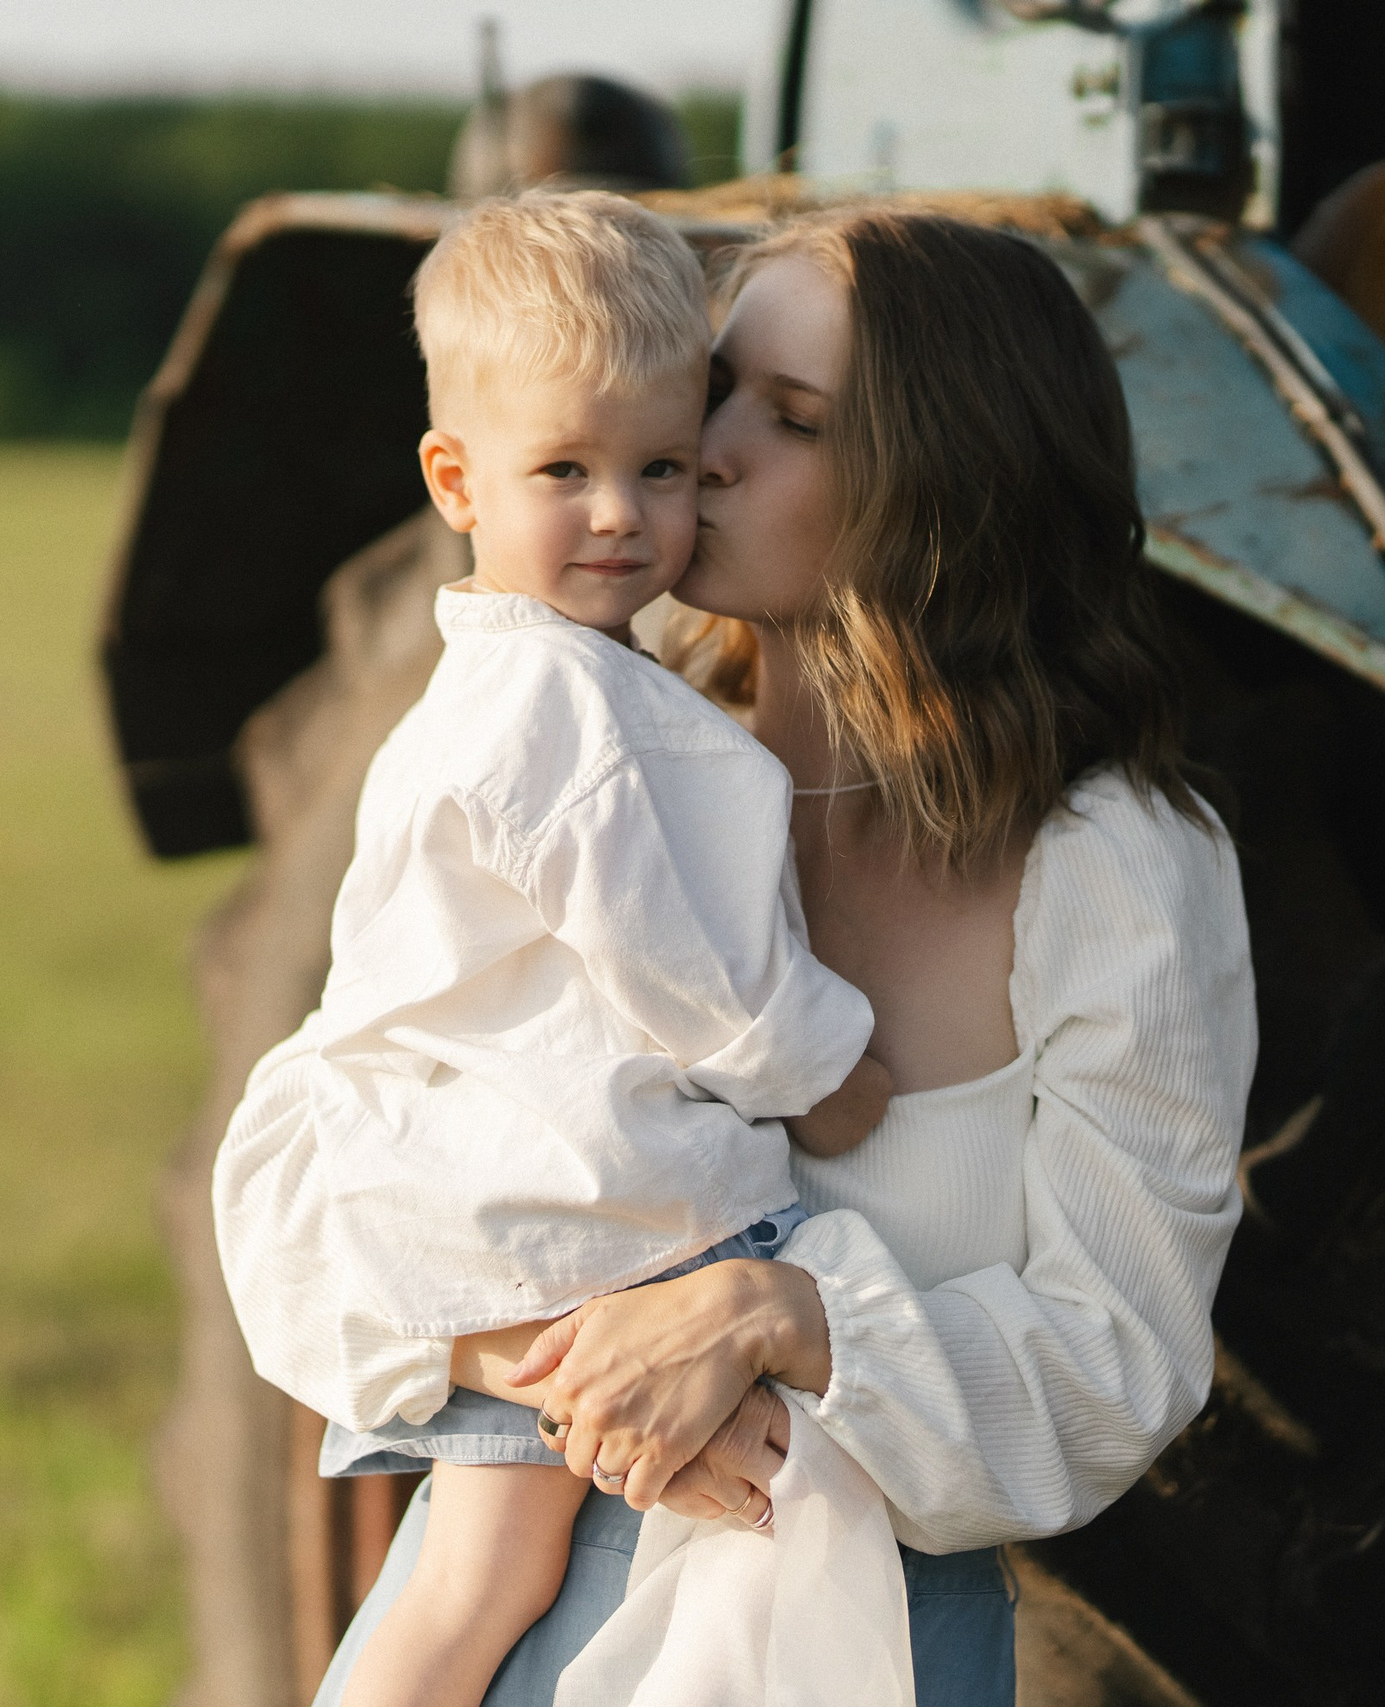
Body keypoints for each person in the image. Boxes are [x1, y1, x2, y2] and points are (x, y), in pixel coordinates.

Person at [230, 204, 1258, 1707]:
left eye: (789, 420)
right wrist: (563, 1353)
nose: (699, 452)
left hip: (827, 1648)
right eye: (714, 391)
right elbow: (297, 1187)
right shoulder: (585, 796)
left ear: (945, 483)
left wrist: (778, 1318)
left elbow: (1122, 1364)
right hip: (501, 1628)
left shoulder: (1114, 865)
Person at [214, 190, 895, 1707]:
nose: (621, 515)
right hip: (552, 1221)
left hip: (549, 1204)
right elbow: (671, 958)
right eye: (565, 472)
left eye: (661, 467)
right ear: (455, 479)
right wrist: (819, 1066)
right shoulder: (555, 710)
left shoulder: (565, 682)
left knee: (495, 1577)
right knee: (482, 1584)